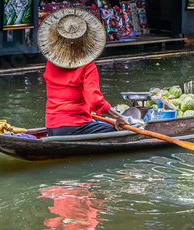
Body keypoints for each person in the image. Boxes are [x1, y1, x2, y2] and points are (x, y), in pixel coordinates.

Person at [38, 9, 129, 137]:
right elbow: (95, 101)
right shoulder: (87, 66)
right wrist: (119, 117)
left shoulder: (51, 63)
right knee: (123, 132)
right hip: (74, 126)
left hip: (51, 127)